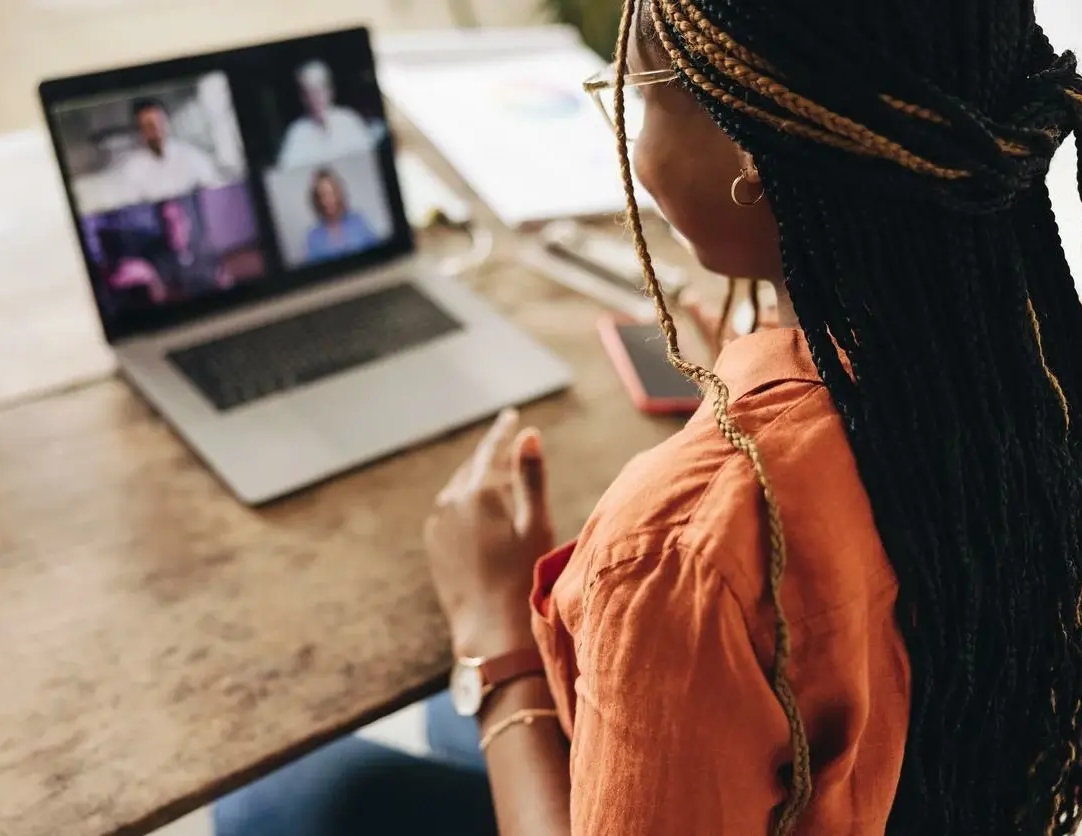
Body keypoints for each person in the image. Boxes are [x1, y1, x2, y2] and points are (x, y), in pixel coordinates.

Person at [216, 0, 1082, 834]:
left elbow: (708, 577)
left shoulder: (683, 556)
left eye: (642, 96)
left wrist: (496, 644)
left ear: (754, 148)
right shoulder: (1031, 355)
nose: (632, 148)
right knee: (483, 713)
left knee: (292, 801)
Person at [117, 97, 221, 204]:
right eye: (148, 126)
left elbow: (214, 195)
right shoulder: (131, 169)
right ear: (140, 131)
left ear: (168, 122)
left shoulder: (193, 157)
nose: (156, 130)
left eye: (159, 122)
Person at [276, 60, 375, 169]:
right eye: (309, 92)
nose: (316, 98)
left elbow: (370, 160)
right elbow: (285, 171)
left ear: (330, 90)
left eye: (320, 89)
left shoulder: (349, 120)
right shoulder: (296, 133)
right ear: (302, 97)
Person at [151, 199, 232, 298]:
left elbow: (223, 279)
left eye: (177, 220)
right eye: (167, 223)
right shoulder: (160, 262)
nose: (173, 229)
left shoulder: (207, 250)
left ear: (188, 222)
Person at [303, 169, 378, 263]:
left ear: (338, 194)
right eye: (323, 195)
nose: (328, 200)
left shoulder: (358, 221)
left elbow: (378, 254)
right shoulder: (313, 237)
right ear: (317, 200)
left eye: (331, 193)